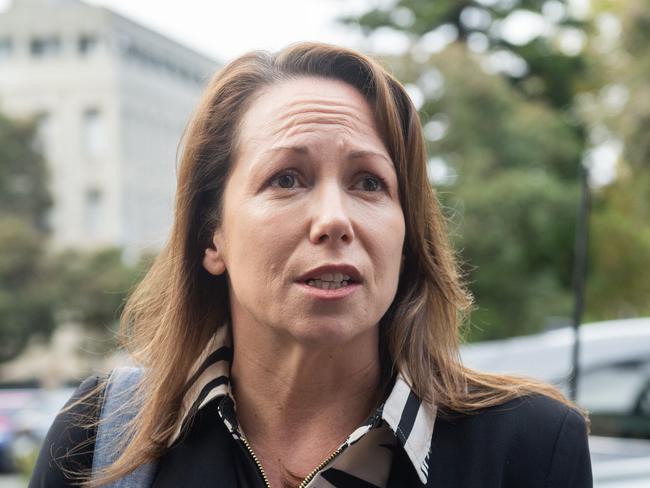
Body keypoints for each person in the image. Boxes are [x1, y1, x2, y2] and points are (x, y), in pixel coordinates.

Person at [30, 42, 592, 488]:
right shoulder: (101, 436)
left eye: (369, 183)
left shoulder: (529, 448)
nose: (334, 219)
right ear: (212, 236)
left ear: (406, 235)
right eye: (287, 179)